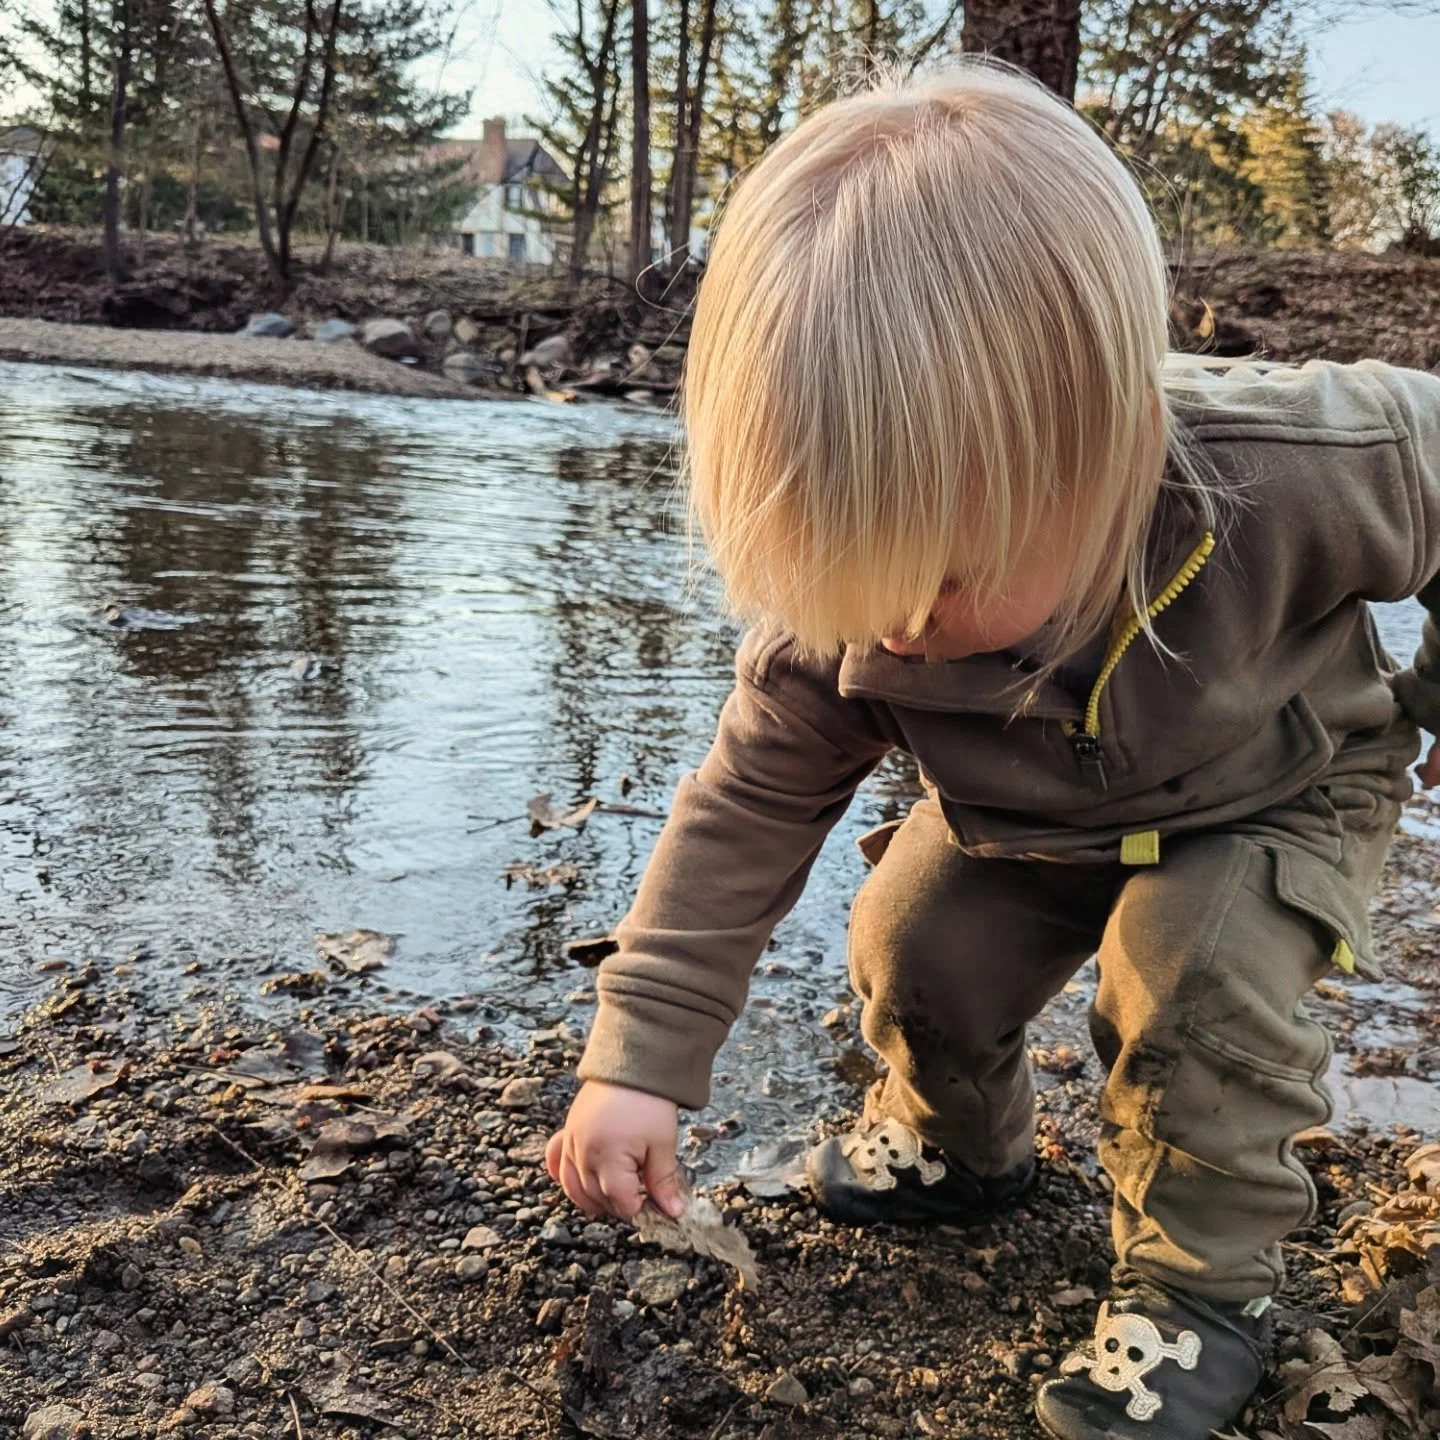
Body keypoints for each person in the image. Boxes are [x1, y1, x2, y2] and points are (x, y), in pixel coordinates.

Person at [544, 60, 1440, 1440]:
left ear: (1108, 447)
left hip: (1281, 785)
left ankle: (1202, 1292)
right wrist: (639, 1062)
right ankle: (966, 1147)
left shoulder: (1302, 463)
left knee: (1190, 988)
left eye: (945, 573)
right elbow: (740, 818)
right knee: (910, 948)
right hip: (1025, 816)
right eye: (848, 577)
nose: (899, 625)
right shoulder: (843, 613)